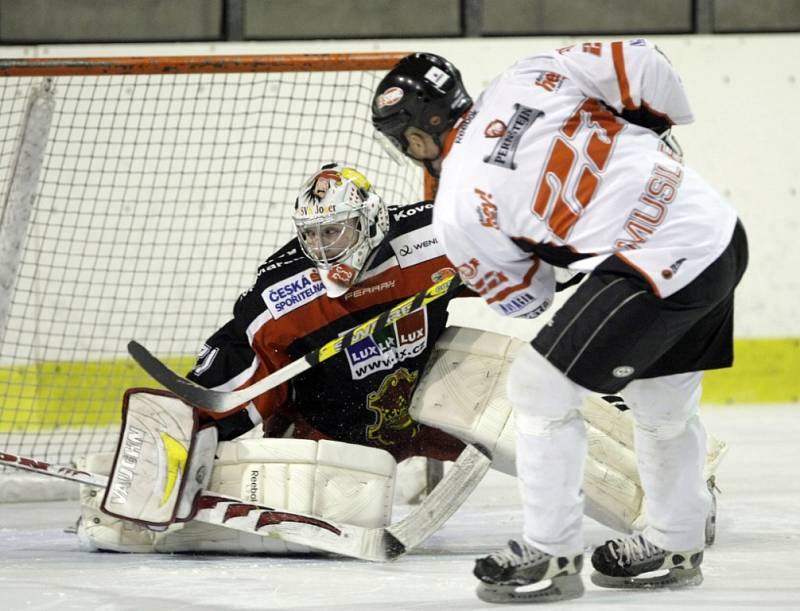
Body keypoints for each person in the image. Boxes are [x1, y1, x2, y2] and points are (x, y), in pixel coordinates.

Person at [78, 162, 727, 558]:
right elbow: (234, 372)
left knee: (523, 413)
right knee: (351, 488)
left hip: (417, 397)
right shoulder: (284, 293)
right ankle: (134, 509)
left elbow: (519, 263)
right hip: (330, 429)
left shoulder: (430, 240)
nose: (325, 248)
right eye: (312, 235)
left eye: (336, 231)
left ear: (371, 221)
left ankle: (673, 495)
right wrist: (192, 422)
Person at [372, 39, 747, 602]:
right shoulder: (530, 73)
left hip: (655, 268)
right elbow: (644, 61)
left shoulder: (457, 209)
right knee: (662, 404)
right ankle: (676, 539)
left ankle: (551, 554)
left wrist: (543, 252)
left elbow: (527, 300)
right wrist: (657, 130)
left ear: (416, 136)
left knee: (537, 388)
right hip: (713, 230)